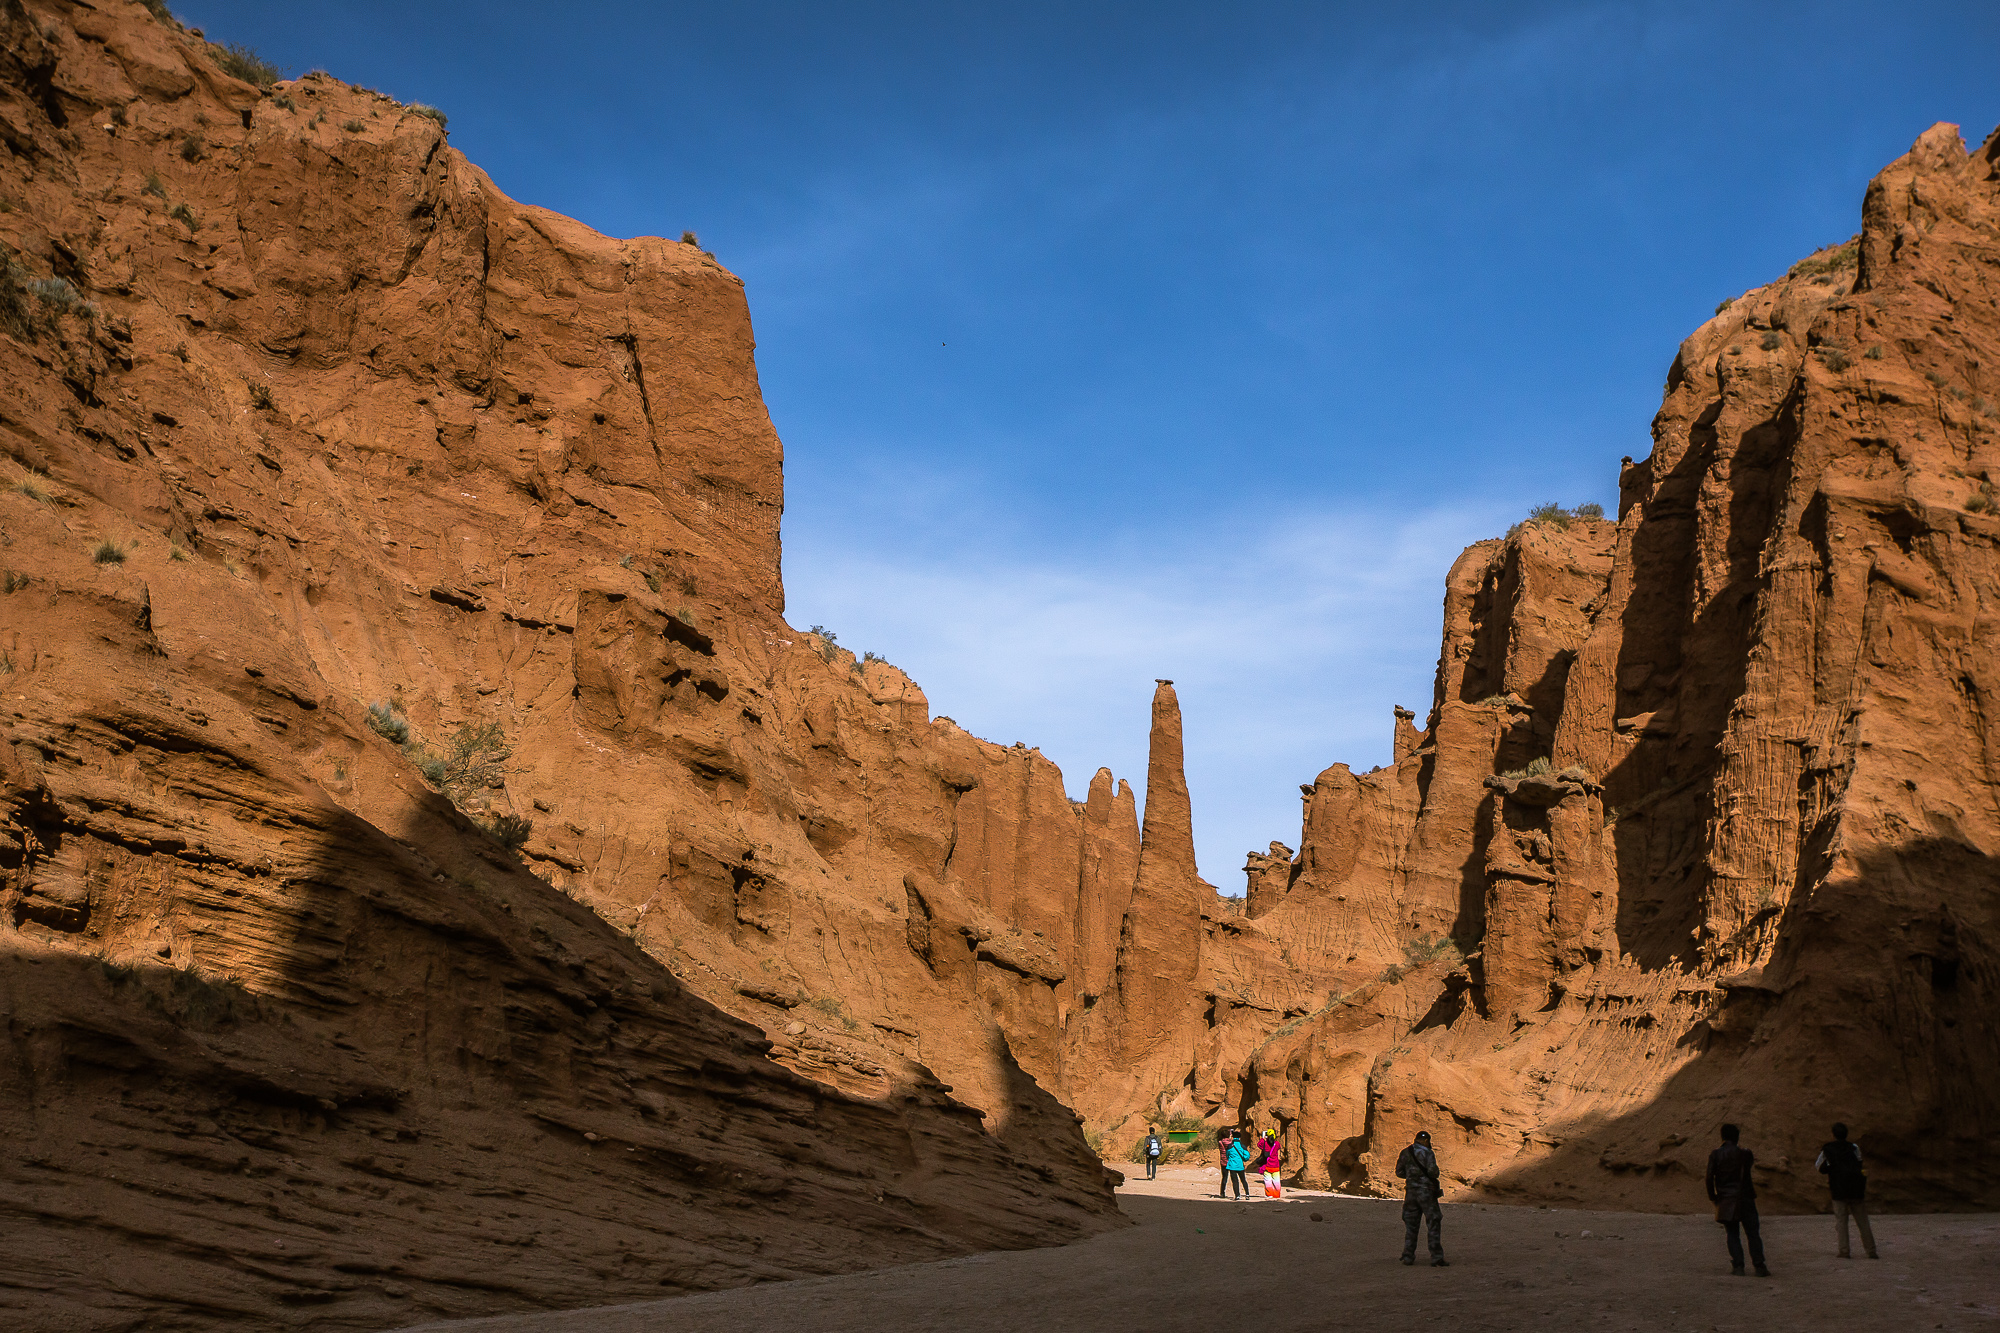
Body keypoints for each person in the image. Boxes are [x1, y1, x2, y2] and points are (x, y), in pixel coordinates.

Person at [1706, 1123, 1770, 1277]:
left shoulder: (1715, 1154)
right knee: (1753, 1233)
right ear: (1737, 1137)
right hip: (1746, 1197)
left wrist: (1713, 1197)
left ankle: (1738, 1265)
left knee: (1732, 1233)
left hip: (1727, 1199)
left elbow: (1709, 1178)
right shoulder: (1745, 1154)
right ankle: (1759, 1265)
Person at [1815, 1123, 1877, 1259]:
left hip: (1838, 1190)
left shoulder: (1828, 1149)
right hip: (1856, 1189)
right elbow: (1859, 1162)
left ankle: (1844, 1251)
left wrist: (1831, 1168)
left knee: (1841, 1222)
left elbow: (1819, 1166)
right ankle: (1871, 1250)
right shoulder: (1854, 1148)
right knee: (1863, 1221)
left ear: (1833, 1134)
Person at [1395, 1130, 1447, 1265]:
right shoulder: (1428, 1153)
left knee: (1411, 1225)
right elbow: (1433, 1172)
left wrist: (1412, 1177)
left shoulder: (1405, 1152)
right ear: (1425, 1141)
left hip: (1411, 1192)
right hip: (1426, 1192)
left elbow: (1399, 1172)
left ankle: (1408, 1256)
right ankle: (1436, 1257)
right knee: (1433, 1222)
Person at [1223, 1127, 1256, 1200]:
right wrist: (1244, 1159)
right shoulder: (1242, 1146)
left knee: (1235, 1181)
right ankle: (1247, 1194)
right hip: (1240, 1166)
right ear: (1239, 1138)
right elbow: (1247, 1155)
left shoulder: (1230, 1146)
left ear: (1233, 1137)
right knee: (1243, 1180)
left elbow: (1227, 1154)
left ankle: (1237, 1195)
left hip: (1232, 1166)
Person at [1259, 1131, 1284, 1199]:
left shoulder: (1265, 1143)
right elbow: (1279, 1147)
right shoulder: (1277, 1144)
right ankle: (1277, 1194)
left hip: (1267, 1165)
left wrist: (1262, 1139)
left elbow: (1259, 1144)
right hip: (1275, 1165)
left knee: (1267, 1181)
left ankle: (1269, 1194)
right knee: (1276, 1181)